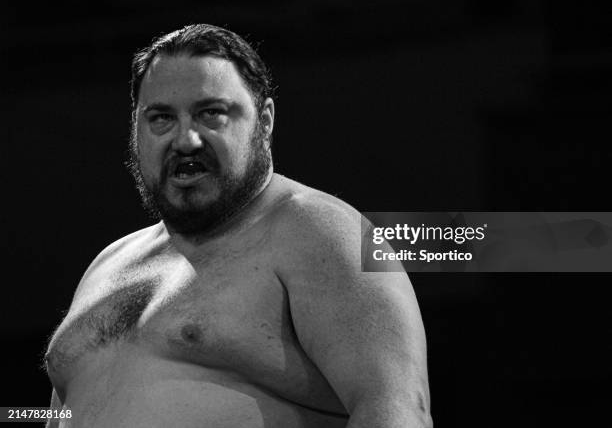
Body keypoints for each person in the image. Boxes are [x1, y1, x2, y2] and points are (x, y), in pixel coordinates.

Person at [44, 24, 432, 428]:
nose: (186, 139)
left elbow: (398, 411)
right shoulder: (108, 265)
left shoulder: (322, 231)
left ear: (264, 121)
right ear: (136, 129)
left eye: (210, 113)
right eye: (161, 118)